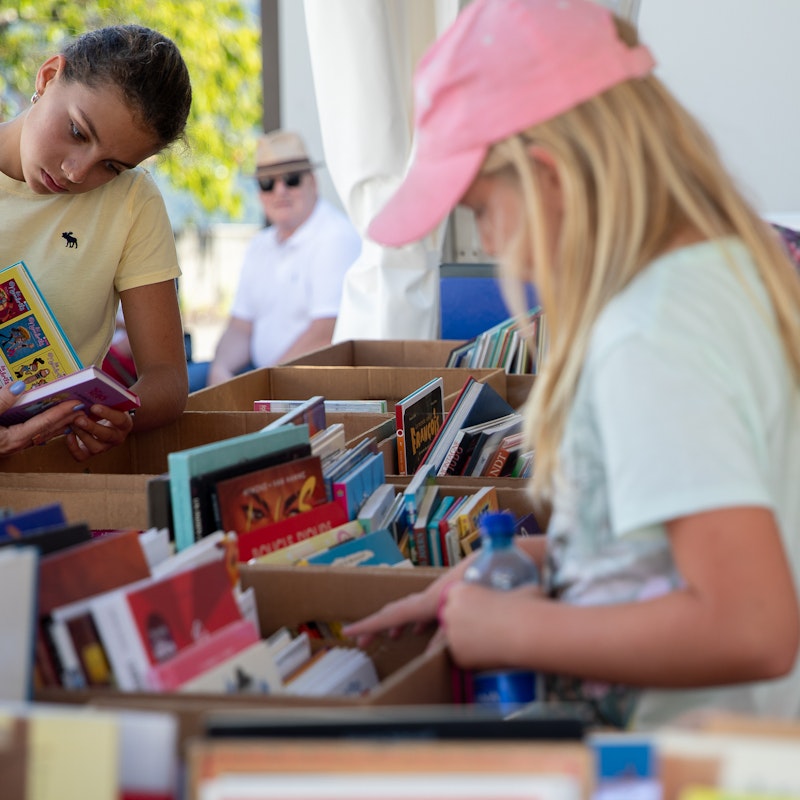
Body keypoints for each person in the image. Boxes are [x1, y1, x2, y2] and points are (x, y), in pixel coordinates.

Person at [343, 0, 800, 730]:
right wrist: (527, 564)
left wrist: (512, 631)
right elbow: (675, 541)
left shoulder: (649, 334)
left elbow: (752, 625)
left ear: (550, 177)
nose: (490, 240)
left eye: (482, 208)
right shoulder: (718, 277)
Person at [0, 24, 192, 459]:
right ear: (48, 77)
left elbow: (166, 377)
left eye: (112, 165)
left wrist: (121, 418)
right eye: (77, 131)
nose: (76, 172)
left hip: (53, 473)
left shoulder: (132, 200)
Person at [203, 129, 361, 388]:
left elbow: (325, 332)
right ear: (258, 192)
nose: (279, 190)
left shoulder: (335, 237)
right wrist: (220, 370)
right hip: (265, 375)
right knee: (182, 392)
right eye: (267, 182)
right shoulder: (259, 245)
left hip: (309, 383)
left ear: (312, 181)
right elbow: (241, 327)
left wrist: (264, 380)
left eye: (291, 179)